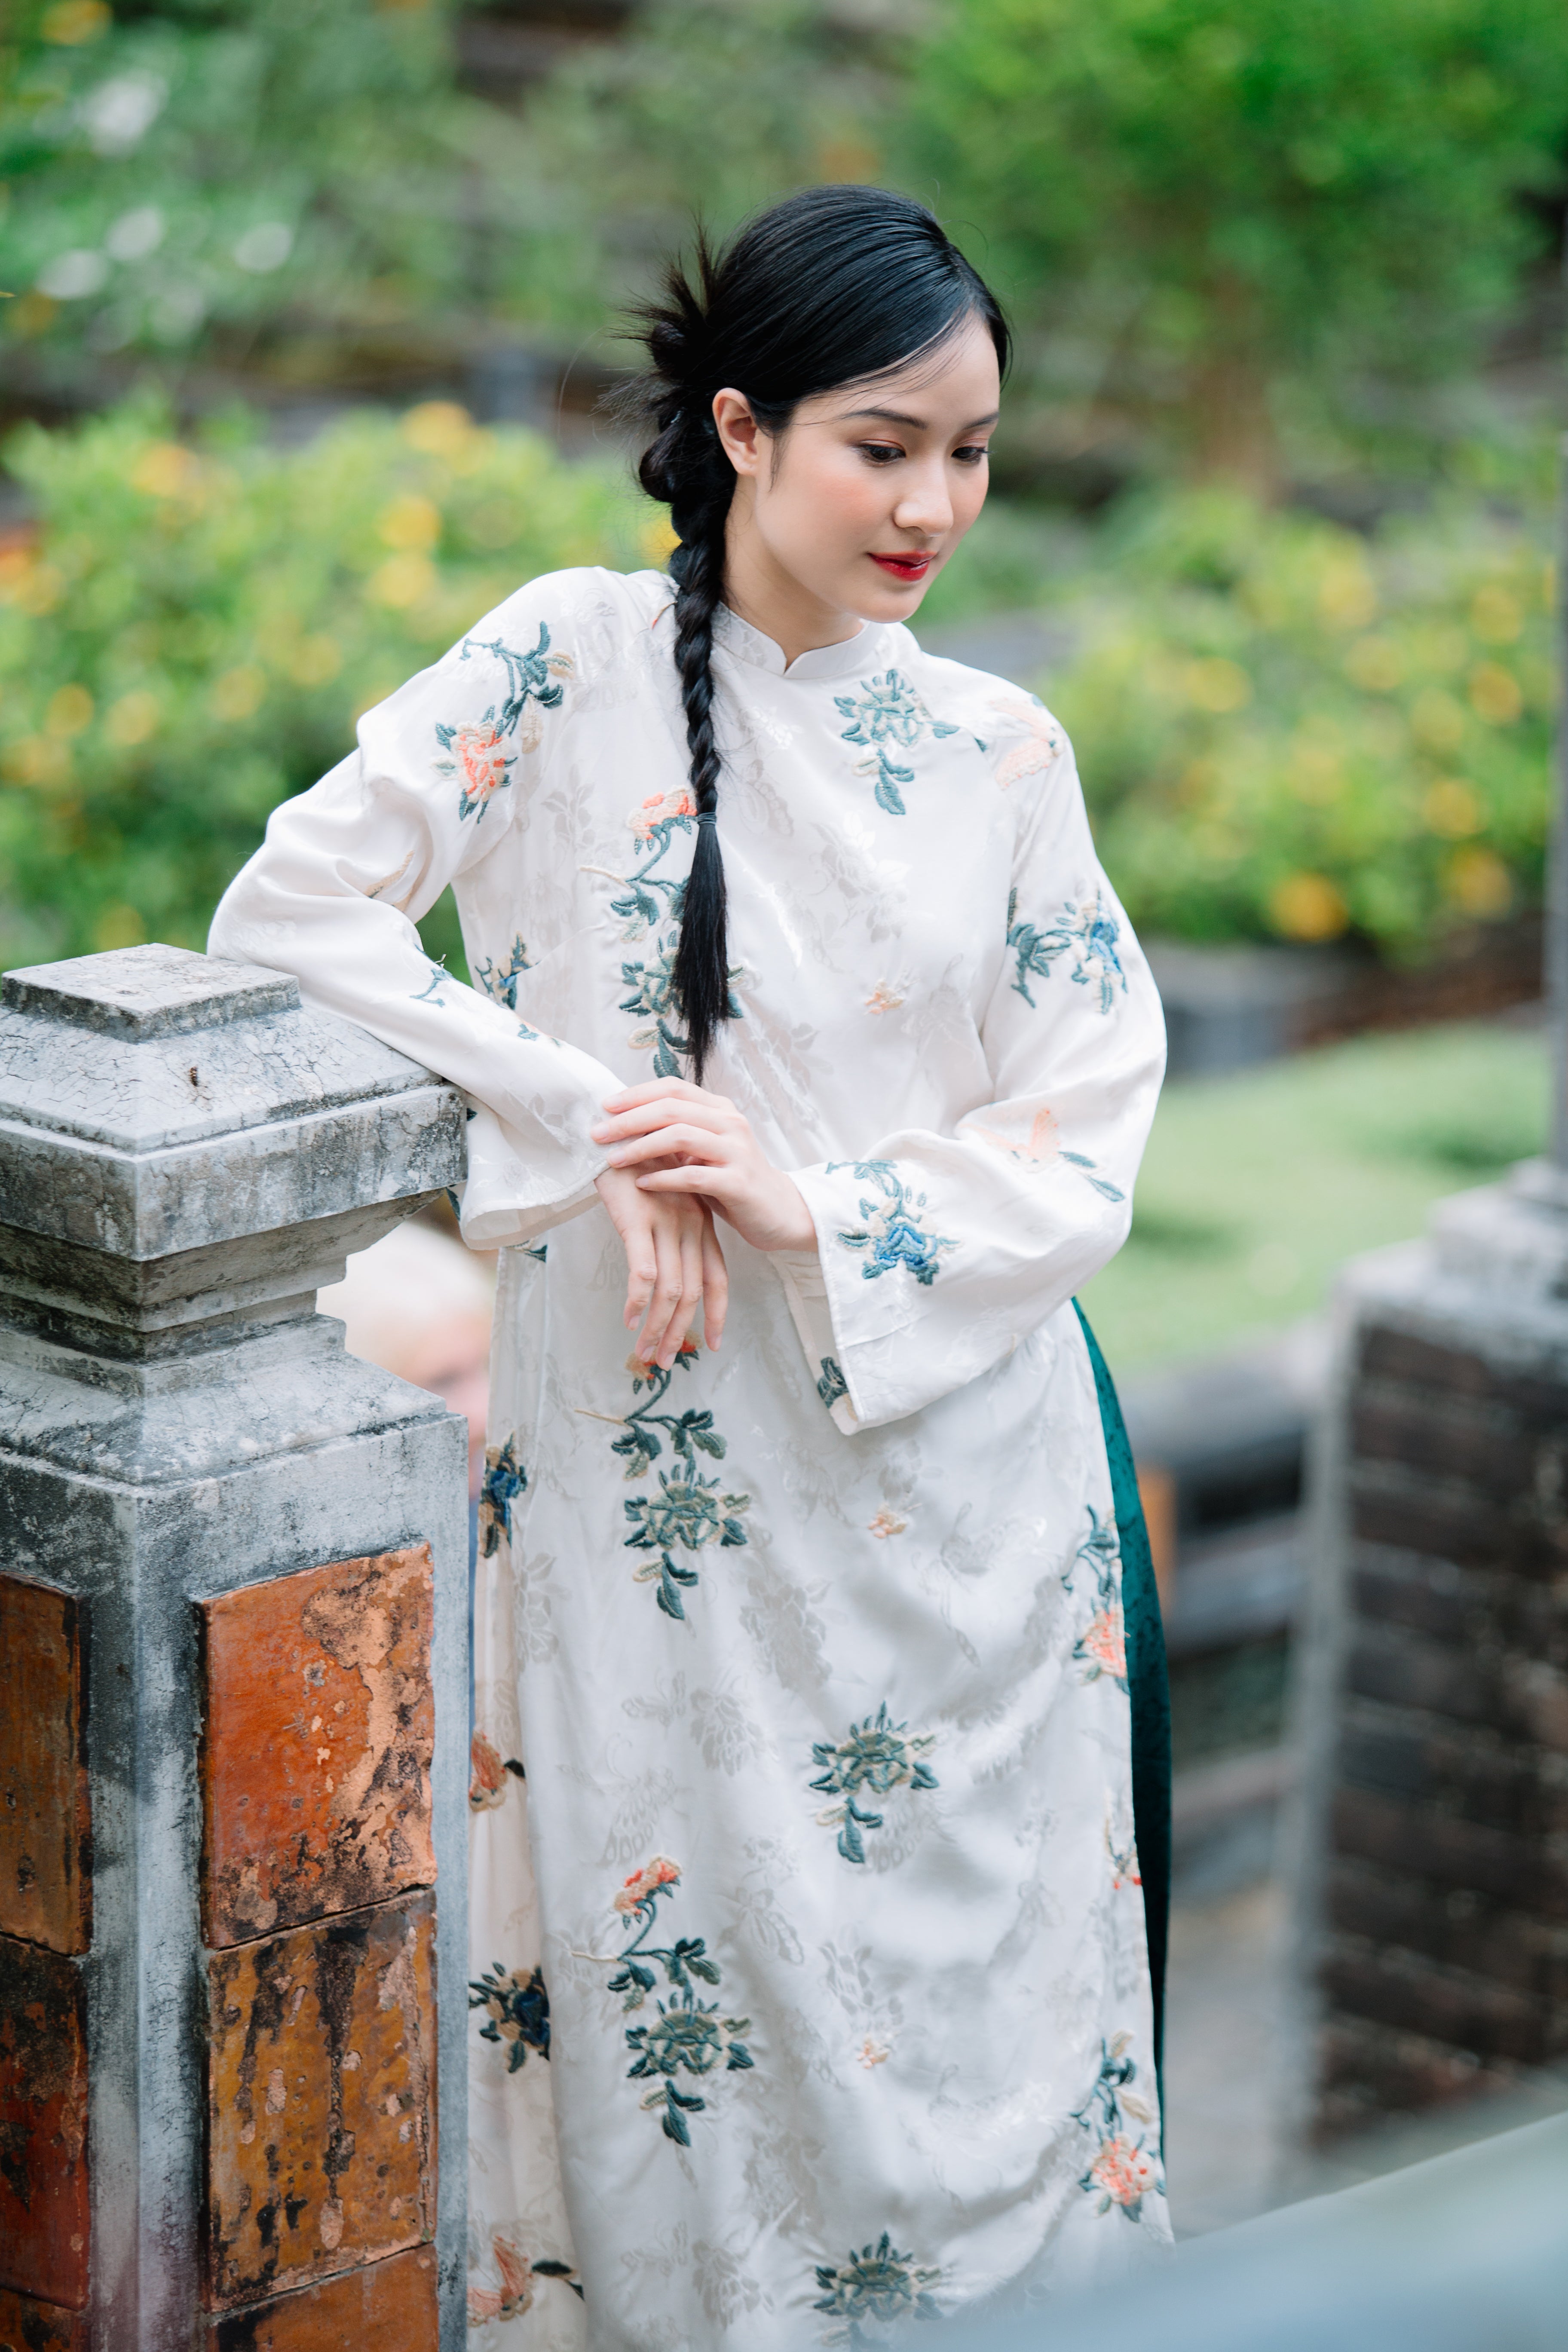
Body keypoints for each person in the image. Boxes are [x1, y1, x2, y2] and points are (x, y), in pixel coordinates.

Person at [209, 184, 1171, 2352]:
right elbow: (288, 916)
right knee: (687, 2019)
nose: (938, 503)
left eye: (977, 452)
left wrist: (797, 1194)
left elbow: (1086, 1115)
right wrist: (598, 1120)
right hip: (659, 1502)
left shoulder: (1007, 757)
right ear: (741, 430)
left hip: (959, 1514)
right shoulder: (561, 658)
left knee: (987, 2045)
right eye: (884, 445)